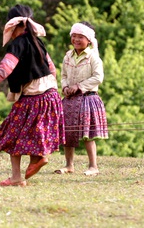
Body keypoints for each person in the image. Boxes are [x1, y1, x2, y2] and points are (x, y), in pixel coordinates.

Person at [0, 4, 64, 187]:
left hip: (34, 97)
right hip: (52, 96)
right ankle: (39, 157)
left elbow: (4, 69)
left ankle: (17, 176)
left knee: (12, 136)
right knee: (32, 133)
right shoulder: (38, 42)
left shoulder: (17, 44)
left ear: (12, 26)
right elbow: (52, 69)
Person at [55, 21, 108, 176]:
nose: (76, 40)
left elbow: (98, 77)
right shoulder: (68, 56)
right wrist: (65, 87)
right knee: (68, 131)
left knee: (88, 133)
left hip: (87, 98)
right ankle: (69, 165)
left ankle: (93, 166)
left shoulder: (93, 57)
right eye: (74, 36)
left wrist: (79, 86)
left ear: (89, 40)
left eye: (80, 37)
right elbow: (63, 75)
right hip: (70, 99)